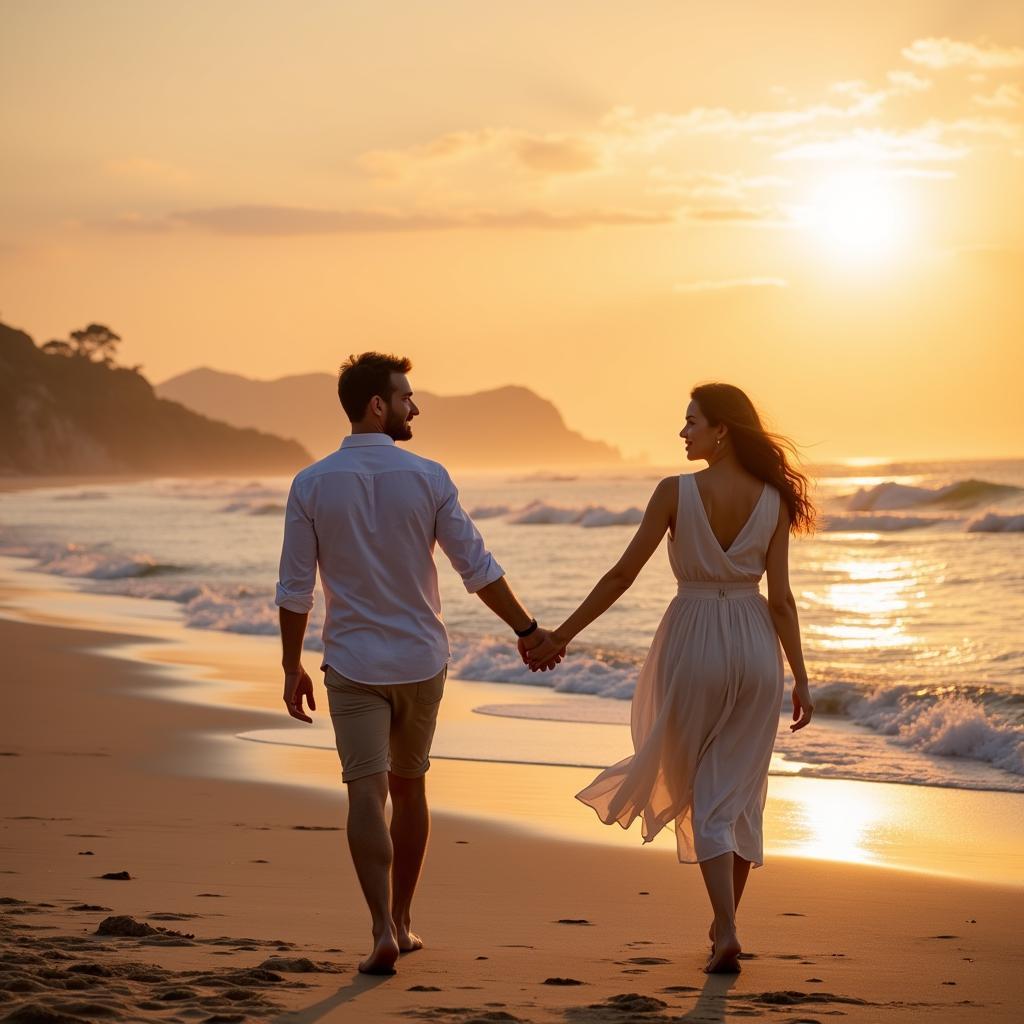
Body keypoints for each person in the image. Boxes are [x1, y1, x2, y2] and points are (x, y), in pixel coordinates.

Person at [275, 352, 560, 975]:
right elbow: (477, 568)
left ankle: (379, 927)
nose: (414, 406)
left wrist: (293, 664)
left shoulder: (312, 483)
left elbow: (295, 589)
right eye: (405, 396)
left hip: (351, 663)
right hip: (419, 662)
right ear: (378, 404)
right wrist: (529, 629)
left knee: (364, 792)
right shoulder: (429, 476)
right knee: (410, 788)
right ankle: (403, 922)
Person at [525, 382, 815, 973]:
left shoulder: (675, 492)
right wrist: (802, 679)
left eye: (691, 422)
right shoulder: (775, 498)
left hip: (695, 640)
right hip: (758, 645)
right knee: (739, 792)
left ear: (721, 430)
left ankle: (727, 929)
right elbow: (781, 600)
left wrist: (563, 634)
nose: (683, 433)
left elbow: (621, 575)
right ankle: (725, 923)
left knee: (699, 789)